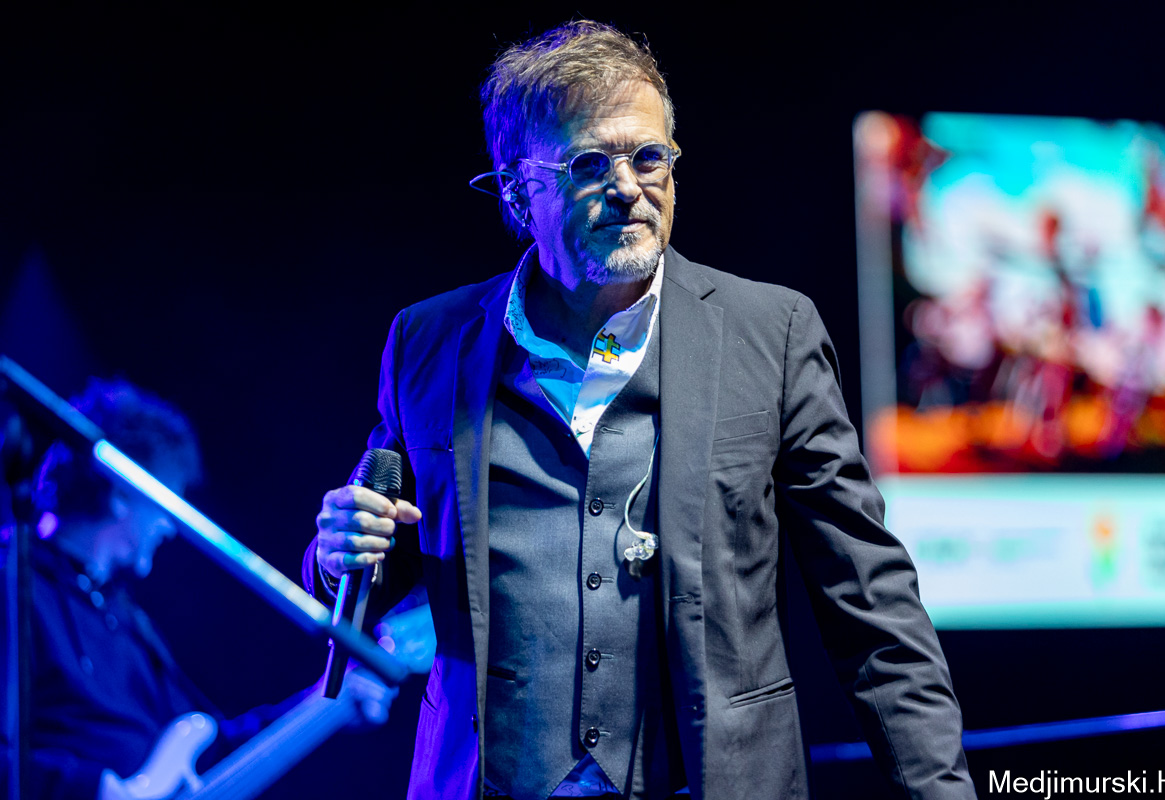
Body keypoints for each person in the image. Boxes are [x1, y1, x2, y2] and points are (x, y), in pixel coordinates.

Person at [305, 20, 976, 800]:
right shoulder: (429, 340)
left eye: (649, 157)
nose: (628, 187)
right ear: (518, 190)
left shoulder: (771, 333)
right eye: (591, 163)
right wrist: (338, 555)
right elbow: (375, 563)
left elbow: (871, 605)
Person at [0, 378, 392, 799]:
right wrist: (89, 788)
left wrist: (321, 703)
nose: (169, 526)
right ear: (121, 493)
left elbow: (207, 748)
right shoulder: (14, 583)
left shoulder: (122, 618)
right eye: (164, 503)